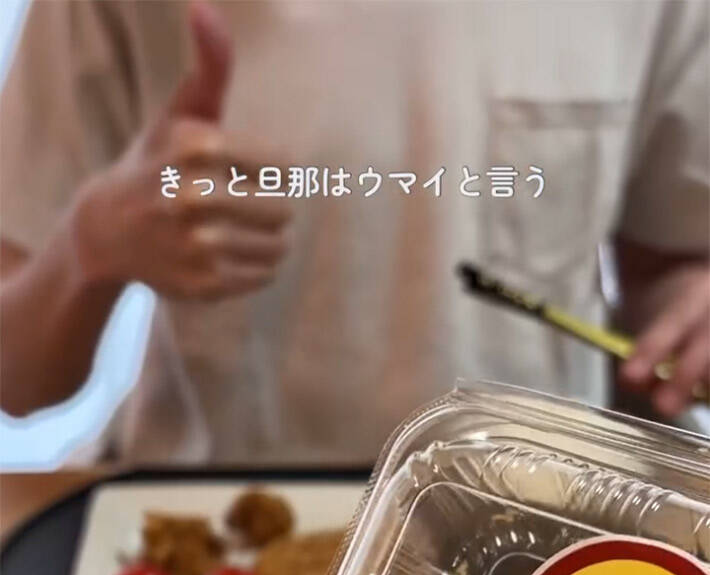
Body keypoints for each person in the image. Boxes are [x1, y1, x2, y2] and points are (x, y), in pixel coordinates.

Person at [1, 0, 708, 465]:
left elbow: (670, 263)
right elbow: (13, 373)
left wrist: (687, 320)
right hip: (209, 545)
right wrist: (87, 248)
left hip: (540, 526)